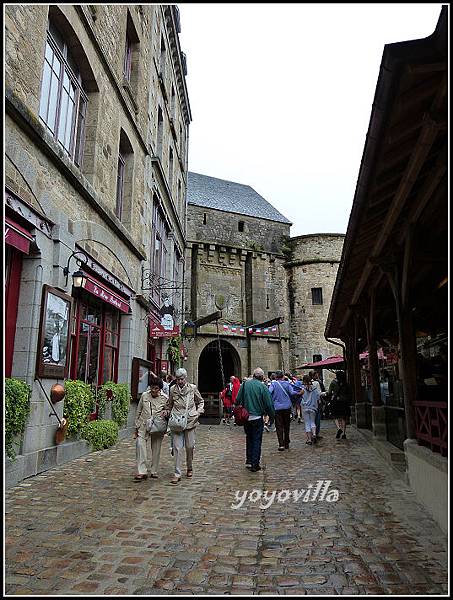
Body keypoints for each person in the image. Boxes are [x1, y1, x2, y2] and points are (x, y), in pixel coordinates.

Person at [164, 368, 204, 484]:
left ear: (185, 378)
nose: (179, 381)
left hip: (190, 420)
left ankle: (190, 467)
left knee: (190, 446)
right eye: (177, 379)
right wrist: (167, 410)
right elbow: (169, 404)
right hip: (176, 422)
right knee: (177, 448)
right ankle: (177, 473)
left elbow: (200, 401)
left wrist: (199, 411)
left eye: (181, 379)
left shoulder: (192, 388)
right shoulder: (172, 389)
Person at [235, 367, 275, 472]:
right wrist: (272, 416)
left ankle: (248, 460)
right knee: (257, 440)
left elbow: (237, 400)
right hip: (257, 417)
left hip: (246, 417)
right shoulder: (262, 387)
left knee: (249, 438)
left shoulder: (245, 385)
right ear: (261, 377)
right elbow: (269, 404)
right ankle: (255, 463)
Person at [134, 376, 168, 481]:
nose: (153, 390)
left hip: (157, 426)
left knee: (156, 448)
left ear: (160, 389)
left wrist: (166, 412)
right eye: (152, 387)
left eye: (156, 388)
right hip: (143, 424)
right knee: (140, 445)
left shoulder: (165, 398)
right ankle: (142, 471)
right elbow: (138, 411)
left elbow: (168, 411)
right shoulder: (144, 396)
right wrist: (136, 426)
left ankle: (154, 470)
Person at [269, 370, 302, 451]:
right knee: (286, 425)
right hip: (287, 407)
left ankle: (281, 444)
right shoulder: (287, 384)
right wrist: (299, 393)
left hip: (277, 408)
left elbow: (269, 392)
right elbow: (292, 392)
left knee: (279, 426)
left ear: (276, 376)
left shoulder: (273, 384)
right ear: (283, 376)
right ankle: (286, 442)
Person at [325, 370, 351, 439]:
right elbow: (349, 393)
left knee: (335, 416)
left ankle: (339, 428)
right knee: (344, 417)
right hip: (345, 402)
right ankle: (344, 434)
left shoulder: (333, 382)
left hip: (336, 401)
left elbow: (329, 392)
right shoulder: (346, 383)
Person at [301, 374, 321, 445]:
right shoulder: (314, 388)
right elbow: (318, 397)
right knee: (312, 422)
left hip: (305, 407)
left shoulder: (302, 389)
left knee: (307, 423)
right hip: (313, 407)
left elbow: (299, 396)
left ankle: (309, 439)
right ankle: (314, 434)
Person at [310, 371, 323, 438]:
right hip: (316, 402)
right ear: (313, 376)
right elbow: (318, 393)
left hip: (309, 404)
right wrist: (324, 393)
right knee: (317, 418)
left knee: (311, 419)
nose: (317, 375)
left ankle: (312, 433)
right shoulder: (316, 383)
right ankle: (316, 433)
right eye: (316, 374)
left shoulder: (307, 383)